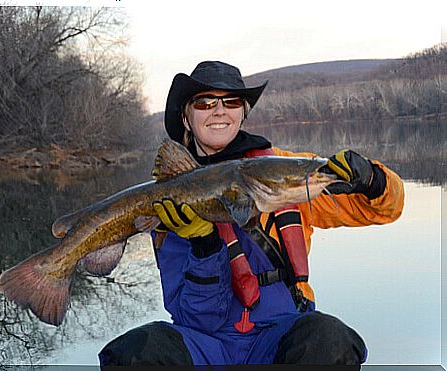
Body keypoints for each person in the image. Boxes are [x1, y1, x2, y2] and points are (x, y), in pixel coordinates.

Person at [98, 61, 404, 366]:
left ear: (242, 113)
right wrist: (204, 246)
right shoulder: (170, 198)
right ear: (186, 119)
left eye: (231, 101)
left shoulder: (294, 171)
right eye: (205, 102)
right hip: (205, 342)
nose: (219, 110)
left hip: (279, 333)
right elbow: (196, 316)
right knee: (134, 352)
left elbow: (383, 209)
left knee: (330, 338)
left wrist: (372, 181)